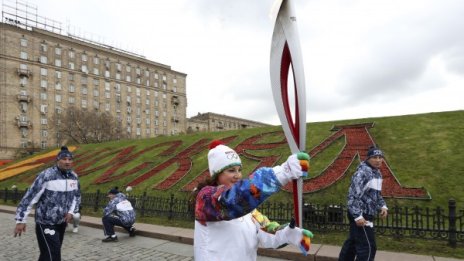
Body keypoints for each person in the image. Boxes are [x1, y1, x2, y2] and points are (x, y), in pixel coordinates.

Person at [193, 140, 313, 261]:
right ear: (216, 174)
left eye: (239, 170)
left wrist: (287, 234)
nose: (238, 175)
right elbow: (232, 201)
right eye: (231, 170)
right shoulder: (205, 199)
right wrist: (283, 172)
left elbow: (265, 232)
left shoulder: (248, 210)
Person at [14, 146, 81, 261]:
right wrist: (21, 220)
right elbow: (29, 198)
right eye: (64, 159)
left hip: (62, 222)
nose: (67, 162)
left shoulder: (74, 176)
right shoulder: (46, 175)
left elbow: (76, 196)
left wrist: (71, 212)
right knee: (53, 254)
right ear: (57, 160)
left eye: (70, 159)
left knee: (49, 253)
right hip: (45, 222)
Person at [338, 146, 389, 261]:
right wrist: (358, 216)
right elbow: (352, 196)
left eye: (380, 157)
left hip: (365, 214)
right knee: (368, 247)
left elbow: (375, 195)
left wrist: (383, 205)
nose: (378, 160)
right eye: (374, 157)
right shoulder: (362, 173)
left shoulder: (377, 173)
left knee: (352, 244)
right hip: (361, 215)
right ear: (368, 158)